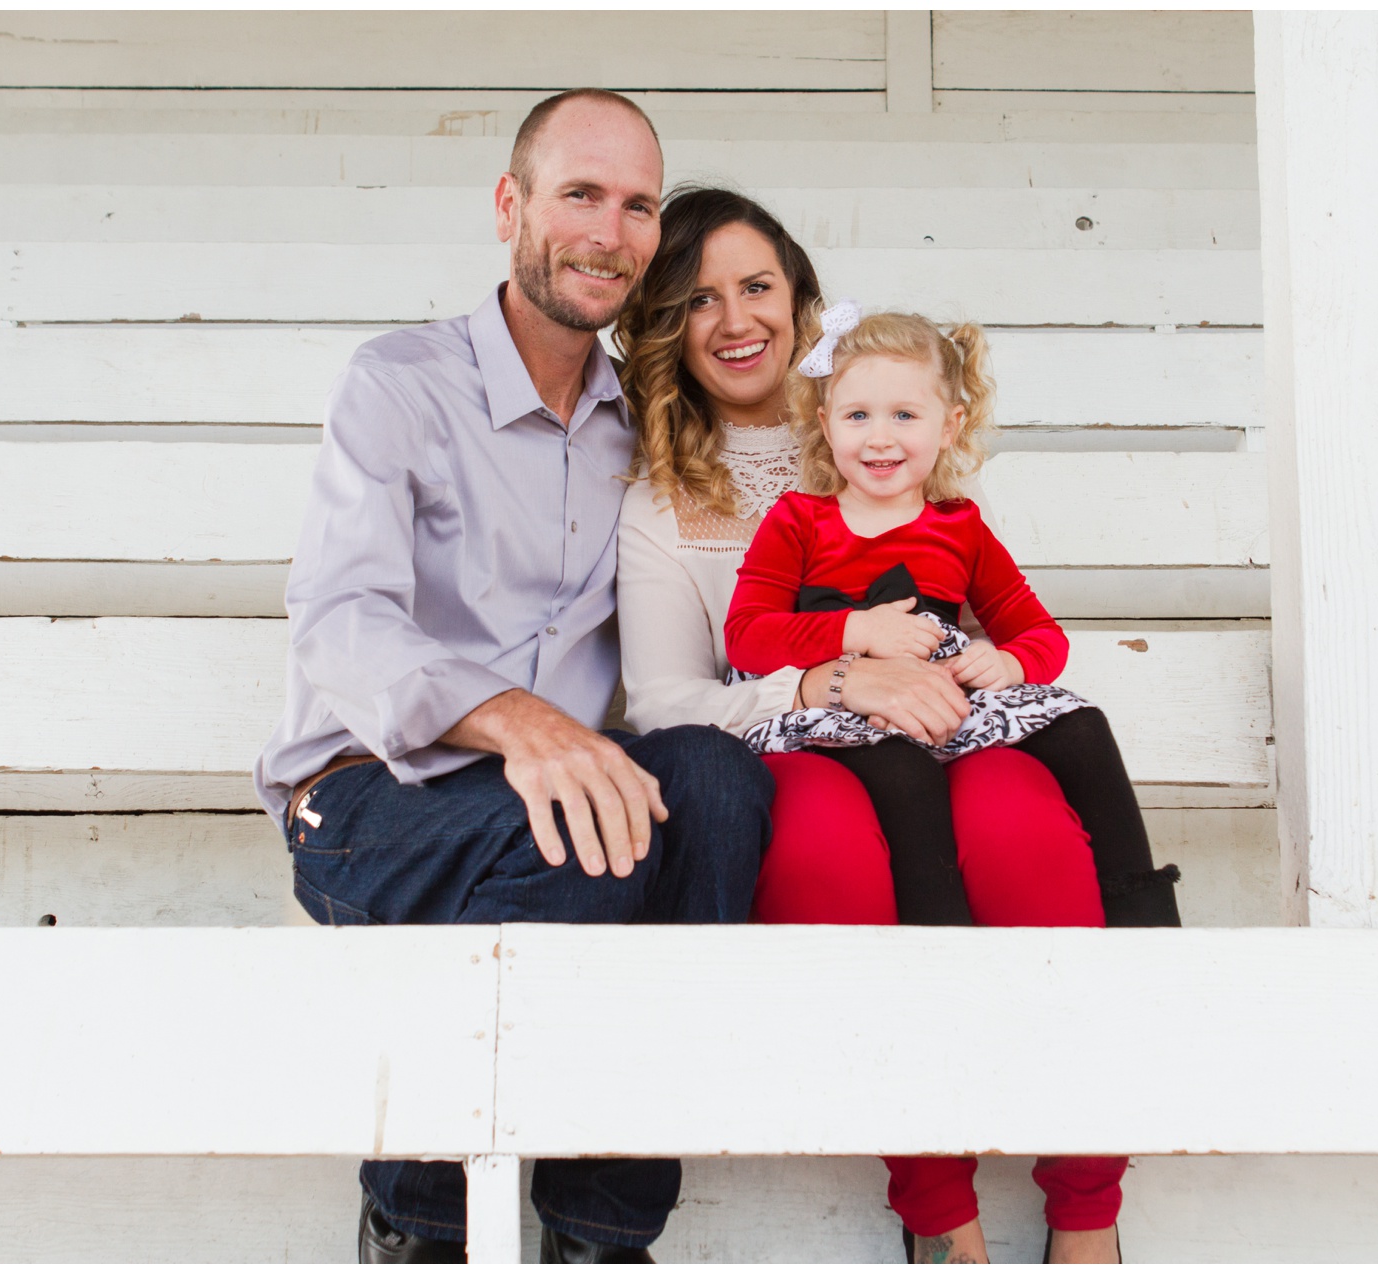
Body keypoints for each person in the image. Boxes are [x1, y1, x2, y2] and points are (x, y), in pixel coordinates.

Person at [255, 92, 775, 1265]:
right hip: (366, 796)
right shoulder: (400, 382)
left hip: (558, 803)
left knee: (712, 777)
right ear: (509, 205)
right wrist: (520, 721)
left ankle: (602, 1230)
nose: (611, 229)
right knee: (567, 824)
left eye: (637, 204)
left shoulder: (644, 427)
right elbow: (339, 620)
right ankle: (423, 1220)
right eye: (579, 193)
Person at [614, 188, 1178, 1265]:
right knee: (828, 851)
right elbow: (666, 698)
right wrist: (831, 681)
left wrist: (979, 663)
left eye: (757, 286)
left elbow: (992, 605)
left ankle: (1086, 1199)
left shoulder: (885, 414)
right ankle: (937, 1208)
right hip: (799, 739)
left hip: (948, 719)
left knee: (1023, 828)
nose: (734, 318)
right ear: (664, 331)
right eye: (696, 301)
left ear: (801, 301)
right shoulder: (659, 500)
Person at [723, 307, 1182, 934]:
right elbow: (747, 633)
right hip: (833, 706)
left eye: (905, 415)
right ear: (826, 425)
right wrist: (853, 632)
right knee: (902, 770)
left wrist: (1009, 661)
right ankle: (937, 930)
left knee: (1081, 727)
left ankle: (1146, 920)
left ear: (949, 426)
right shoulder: (799, 520)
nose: (879, 437)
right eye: (858, 415)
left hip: (943, 700)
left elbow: (1041, 633)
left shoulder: (959, 526)